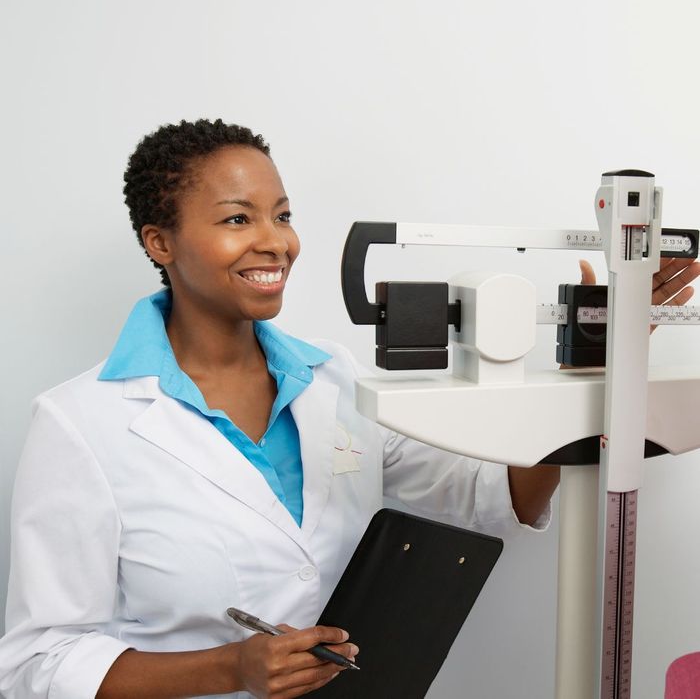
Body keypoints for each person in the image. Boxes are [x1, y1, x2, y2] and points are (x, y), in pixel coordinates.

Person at [0, 120, 697, 699]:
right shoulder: (81, 423)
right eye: (237, 219)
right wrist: (230, 667)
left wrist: (597, 362)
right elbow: (38, 660)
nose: (274, 241)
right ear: (160, 242)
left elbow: (490, 494)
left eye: (282, 215)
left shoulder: (333, 377)